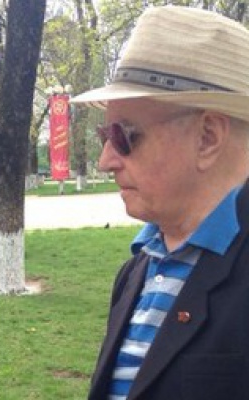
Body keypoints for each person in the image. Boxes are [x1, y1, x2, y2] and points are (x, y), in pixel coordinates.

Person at [71, 5, 249, 400]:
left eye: (124, 136)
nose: (105, 161)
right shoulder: (137, 269)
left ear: (207, 137)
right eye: (105, 135)